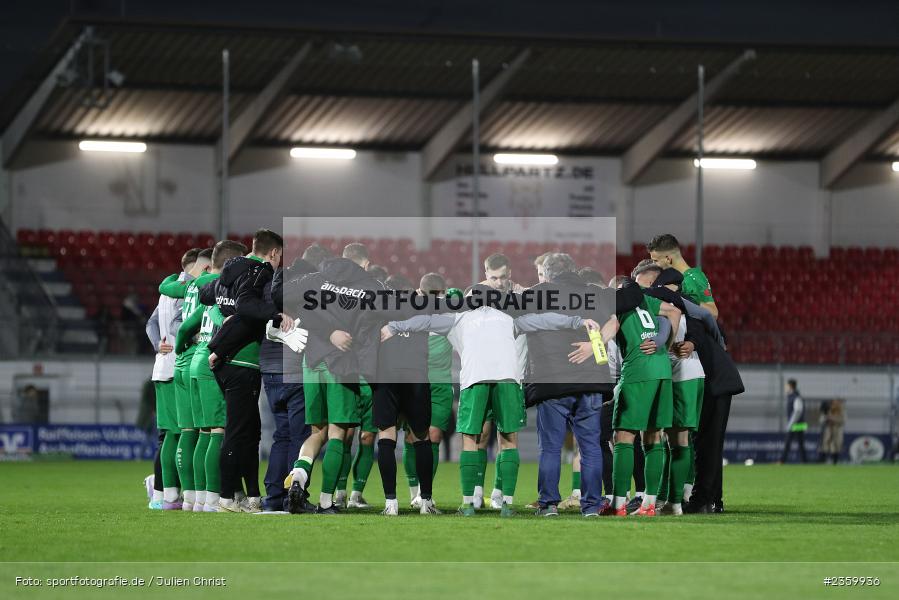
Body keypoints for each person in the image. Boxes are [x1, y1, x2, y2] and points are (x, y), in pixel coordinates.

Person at [384, 284, 602, 517]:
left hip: (475, 378)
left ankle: (468, 504)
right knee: (508, 440)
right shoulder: (508, 319)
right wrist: (577, 321)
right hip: (508, 378)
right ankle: (506, 504)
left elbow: (424, 322)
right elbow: (544, 320)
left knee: (470, 440)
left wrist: (395, 327)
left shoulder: (458, 319)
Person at [286, 242, 385, 513]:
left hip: (312, 363)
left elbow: (282, 294)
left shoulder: (318, 278)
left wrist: (286, 313)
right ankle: (327, 501)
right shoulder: (369, 286)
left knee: (317, 432)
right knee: (338, 433)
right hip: (340, 364)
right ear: (364, 264)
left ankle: (299, 476)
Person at [206, 229, 292, 513]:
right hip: (242, 361)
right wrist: (275, 314)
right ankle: (227, 497)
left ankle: (250, 496)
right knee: (238, 432)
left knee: (250, 432)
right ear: (275, 253)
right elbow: (246, 307)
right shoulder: (259, 272)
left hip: (227, 359)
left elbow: (206, 295)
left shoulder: (228, 273)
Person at [524, 253, 617, 517]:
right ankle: (590, 506)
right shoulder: (594, 293)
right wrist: (594, 345)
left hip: (552, 382)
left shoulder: (536, 294)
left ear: (549, 274)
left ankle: (549, 504)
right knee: (590, 447)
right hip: (591, 381)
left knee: (551, 447)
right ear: (574, 271)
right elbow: (615, 321)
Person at [603, 279, 682, 517]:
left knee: (623, 437)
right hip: (662, 371)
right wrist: (665, 344)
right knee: (653, 436)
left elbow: (609, 329)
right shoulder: (646, 300)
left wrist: (593, 347)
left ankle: (618, 505)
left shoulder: (619, 304)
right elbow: (674, 311)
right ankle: (648, 503)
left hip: (637, 372)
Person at [258, 252, 319, 512]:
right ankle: (295, 495)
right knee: (301, 437)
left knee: (280, 435)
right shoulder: (306, 295)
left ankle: (273, 497)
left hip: (269, 371)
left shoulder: (268, 291)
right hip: (293, 372)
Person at [145, 248, 201, 510]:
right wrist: (188, 339)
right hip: (177, 365)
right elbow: (180, 325)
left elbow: (151, 323)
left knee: (170, 435)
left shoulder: (167, 291)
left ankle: (164, 493)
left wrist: (158, 343)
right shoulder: (187, 290)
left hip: (161, 367)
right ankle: (171, 495)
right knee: (180, 434)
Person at [780, 379, 808, 463]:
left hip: (796, 425)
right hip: (799, 424)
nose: (785, 387)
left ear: (790, 386)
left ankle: (782, 461)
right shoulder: (794, 396)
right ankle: (805, 461)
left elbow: (798, 411)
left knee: (788, 443)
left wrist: (790, 424)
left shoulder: (795, 397)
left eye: (786, 386)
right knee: (800, 444)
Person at [820, 399, 845, 464]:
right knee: (826, 445)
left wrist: (831, 418)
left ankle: (834, 461)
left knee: (835, 446)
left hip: (837, 430)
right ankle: (823, 460)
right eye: (832, 404)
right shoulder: (827, 411)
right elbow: (821, 420)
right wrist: (826, 417)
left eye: (835, 404)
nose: (833, 405)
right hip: (828, 430)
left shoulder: (841, 412)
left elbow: (842, 421)